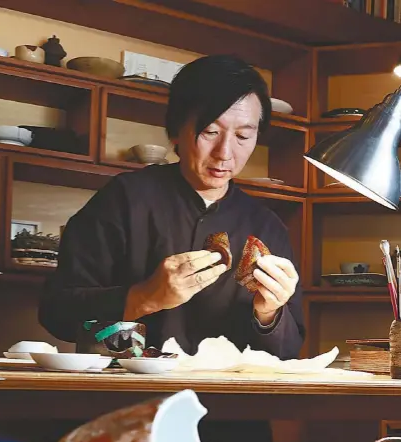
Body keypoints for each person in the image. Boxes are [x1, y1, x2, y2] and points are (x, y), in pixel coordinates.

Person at [39, 54, 304, 361]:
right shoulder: (125, 199)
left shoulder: (266, 226)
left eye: (244, 136)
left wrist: (269, 315)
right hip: (129, 395)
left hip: (232, 402)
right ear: (176, 129)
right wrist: (144, 297)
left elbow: (288, 351)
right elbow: (57, 313)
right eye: (210, 132)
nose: (225, 153)